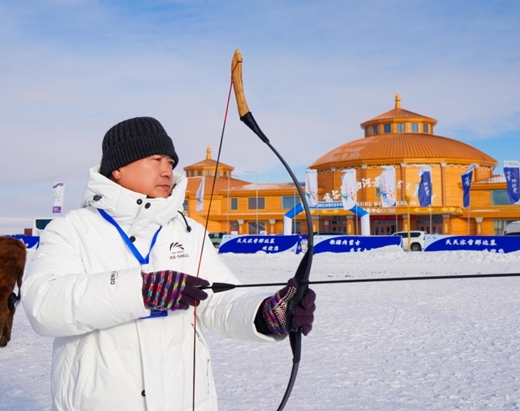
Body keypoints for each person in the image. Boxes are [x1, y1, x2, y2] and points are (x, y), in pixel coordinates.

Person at [23, 116, 316, 411]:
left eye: (171, 163)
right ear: (118, 169)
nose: (168, 170)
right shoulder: (71, 230)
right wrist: (142, 289)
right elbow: (44, 306)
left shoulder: (188, 231)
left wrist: (266, 314)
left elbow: (219, 302)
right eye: (156, 159)